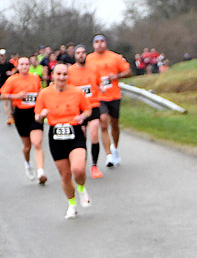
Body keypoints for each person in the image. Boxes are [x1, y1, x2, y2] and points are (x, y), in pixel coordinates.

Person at [34, 62, 91, 219]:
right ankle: (72, 205)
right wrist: (42, 116)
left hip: (74, 133)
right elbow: (37, 116)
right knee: (65, 176)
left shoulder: (77, 92)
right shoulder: (44, 94)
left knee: (78, 169)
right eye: (58, 74)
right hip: (56, 136)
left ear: (68, 76)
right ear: (53, 76)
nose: (61, 77)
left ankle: (81, 188)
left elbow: (88, 110)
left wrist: (82, 116)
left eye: (64, 74)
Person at [86, 34, 131, 167]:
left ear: (106, 43)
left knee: (115, 124)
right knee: (103, 122)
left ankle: (115, 148)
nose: (99, 44)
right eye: (97, 42)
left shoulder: (114, 57)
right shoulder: (89, 59)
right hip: (99, 96)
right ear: (93, 45)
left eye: (102, 41)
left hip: (114, 95)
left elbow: (128, 71)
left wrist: (117, 75)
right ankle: (109, 155)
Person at [1, 56, 47, 183]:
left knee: (37, 142)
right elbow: (2, 95)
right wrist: (16, 96)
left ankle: (41, 172)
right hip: (21, 114)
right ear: (18, 67)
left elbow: (40, 92)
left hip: (34, 112)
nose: (25, 66)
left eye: (27, 64)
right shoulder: (12, 80)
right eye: (22, 64)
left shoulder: (35, 77)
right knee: (27, 146)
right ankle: (27, 163)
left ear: (29, 66)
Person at [67, 44, 104, 178]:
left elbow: (99, 82)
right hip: (78, 108)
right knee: (82, 136)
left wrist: (102, 87)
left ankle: (94, 165)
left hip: (93, 105)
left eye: (83, 52)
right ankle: (81, 163)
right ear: (75, 55)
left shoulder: (94, 69)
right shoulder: (70, 71)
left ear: (86, 54)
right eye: (78, 53)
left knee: (94, 134)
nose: (81, 55)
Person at [0, 48, 16, 125]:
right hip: (1, 86)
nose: (2, 57)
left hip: (9, 85)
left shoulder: (9, 64)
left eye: (3, 56)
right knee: (5, 102)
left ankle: (12, 114)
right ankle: (9, 117)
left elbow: (16, 69)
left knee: (12, 102)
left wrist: (11, 72)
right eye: (1, 56)